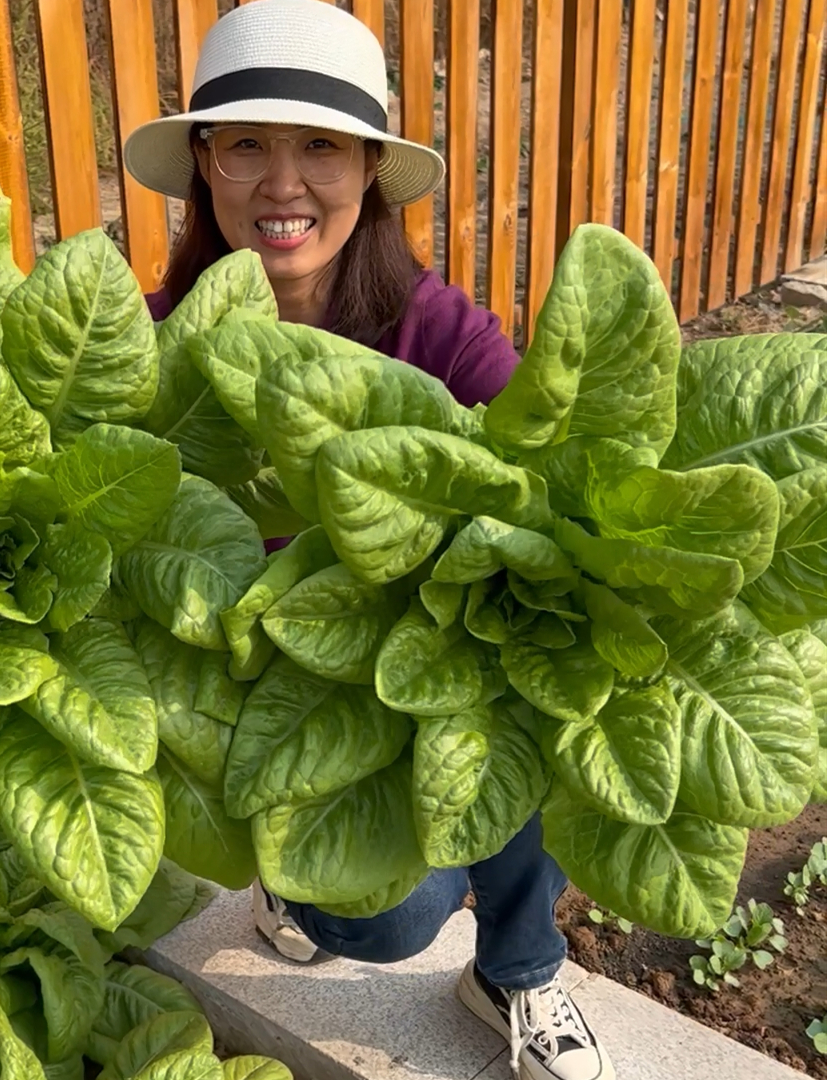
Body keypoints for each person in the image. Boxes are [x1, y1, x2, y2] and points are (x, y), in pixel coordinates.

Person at [122, 4, 614, 1079]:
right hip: (279, 700)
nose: (282, 182)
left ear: (370, 170)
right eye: (247, 143)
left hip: (433, 660)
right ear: (205, 164)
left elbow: (557, 496)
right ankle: (295, 896)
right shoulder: (158, 348)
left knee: (541, 710)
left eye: (320, 147)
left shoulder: (437, 333)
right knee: (383, 921)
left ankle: (519, 971)